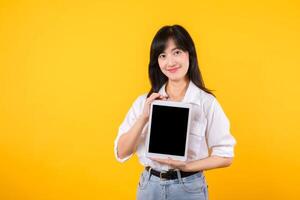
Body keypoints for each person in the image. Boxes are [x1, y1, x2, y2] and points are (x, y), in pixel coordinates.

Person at [114, 24, 236, 200]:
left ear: (189, 54)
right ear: (157, 62)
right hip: (149, 187)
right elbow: (121, 152)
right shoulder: (144, 102)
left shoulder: (206, 103)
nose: (170, 62)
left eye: (176, 52)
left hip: (189, 188)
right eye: (162, 55)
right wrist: (144, 117)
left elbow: (226, 156)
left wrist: (186, 166)